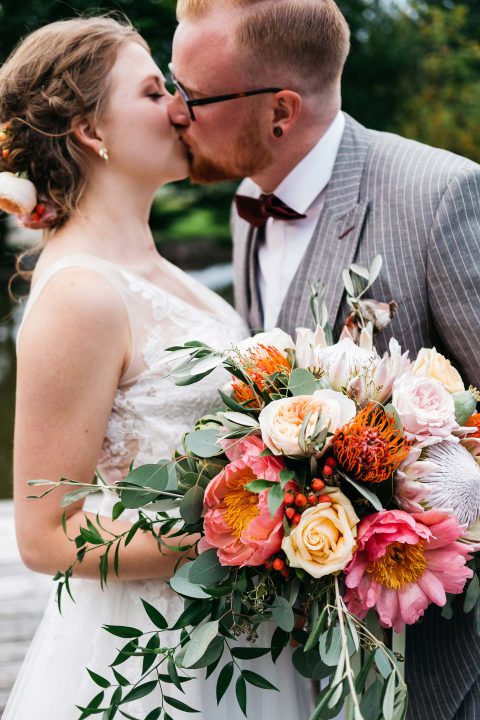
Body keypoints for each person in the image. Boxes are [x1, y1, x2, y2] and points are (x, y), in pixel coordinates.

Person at [168, 1, 480, 719]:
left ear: (280, 109)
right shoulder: (249, 199)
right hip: (295, 663)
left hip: (437, 670)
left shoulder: (441, 197)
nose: (177, 113)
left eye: (194, 94)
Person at [0, 16, 312, 720]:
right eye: (152, 92)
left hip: (243, 637)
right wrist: (244, 531)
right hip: (158, 661)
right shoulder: (82, 293)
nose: (181, 106)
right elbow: (47, 533)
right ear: (90, 130)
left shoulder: (165, 273)